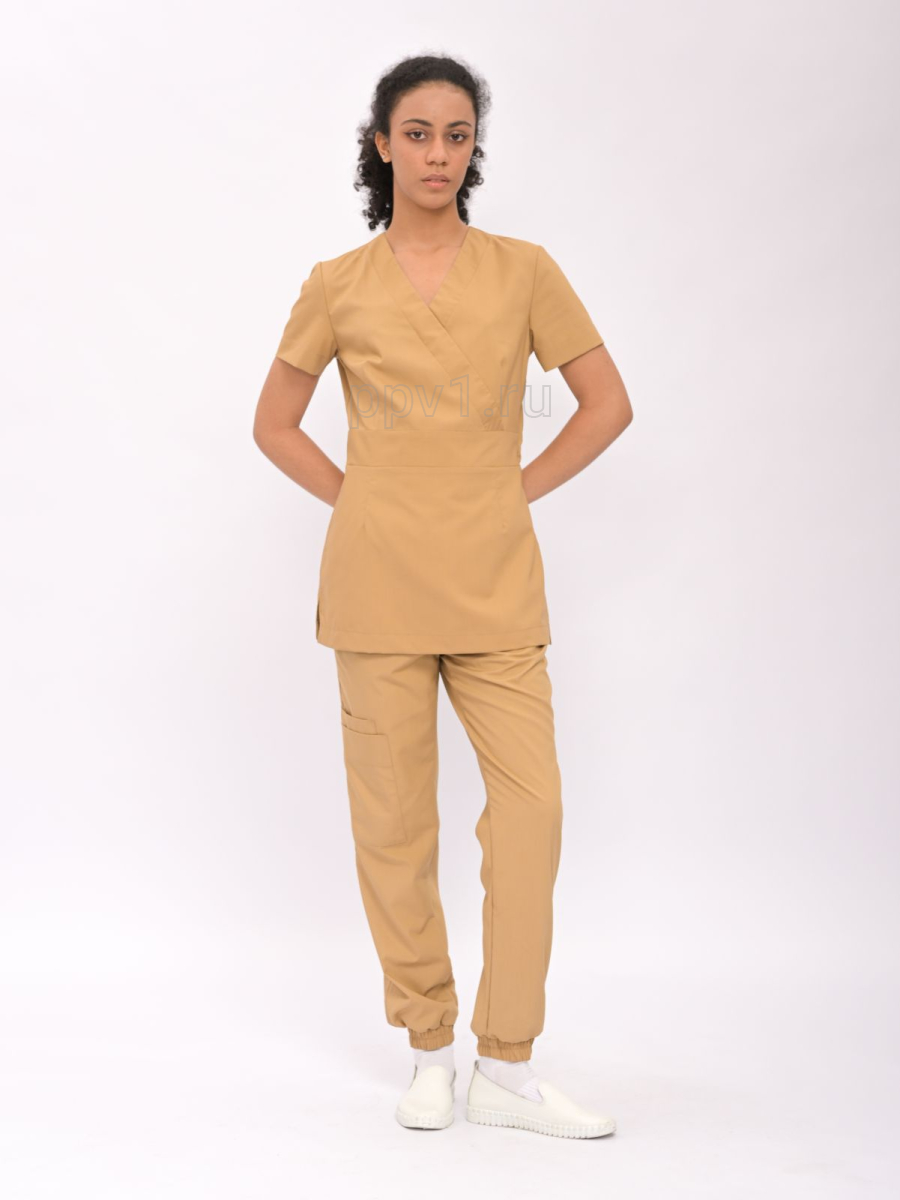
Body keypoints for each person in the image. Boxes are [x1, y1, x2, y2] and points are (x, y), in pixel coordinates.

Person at [253, 53, 633, 1139]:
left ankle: (506, 1063)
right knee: (394, 826)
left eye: (456, 135)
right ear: (381, 145)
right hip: (375, 585)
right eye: (416, 133)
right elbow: (273, 424)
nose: (437, 154)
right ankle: (429, 1047)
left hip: (493, 581)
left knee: (532, 811)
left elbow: (606, 403)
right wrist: (363, 500)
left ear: (474, 149)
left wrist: (511, 491)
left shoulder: (524, 271)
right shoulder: (337, 282)